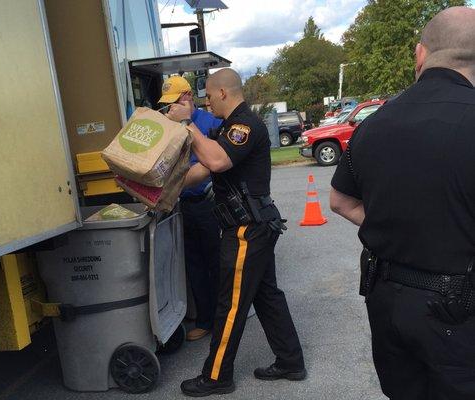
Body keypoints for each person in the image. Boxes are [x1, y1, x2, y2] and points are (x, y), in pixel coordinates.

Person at [330, 7, 475, 400]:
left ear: (420, 54)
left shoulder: (372, 124)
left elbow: (340, 201)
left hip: (387, 301)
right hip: (459, 310)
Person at [167, 68, 306, 397]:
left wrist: (187, 124)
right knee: (267, 295)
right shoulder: (231, 127)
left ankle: (217, 377)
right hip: (253, 225)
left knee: (229, 305)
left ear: (223, 93)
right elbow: (202, 169)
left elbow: (215, 162)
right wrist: (166, 188)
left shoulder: (244, 126)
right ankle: (290, 361)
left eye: (210, 96)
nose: (207, 102)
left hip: (246, 230)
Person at [159, 75, 222, 342]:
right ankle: (205, 320)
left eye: (173, 102)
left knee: (217, 264)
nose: (169, 109)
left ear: (186, 98)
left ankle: (223, 322)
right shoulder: (169, 126)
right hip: (184, 205)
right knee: (194, 265)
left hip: (210, 204)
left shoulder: (211, 124)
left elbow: (214, 163)